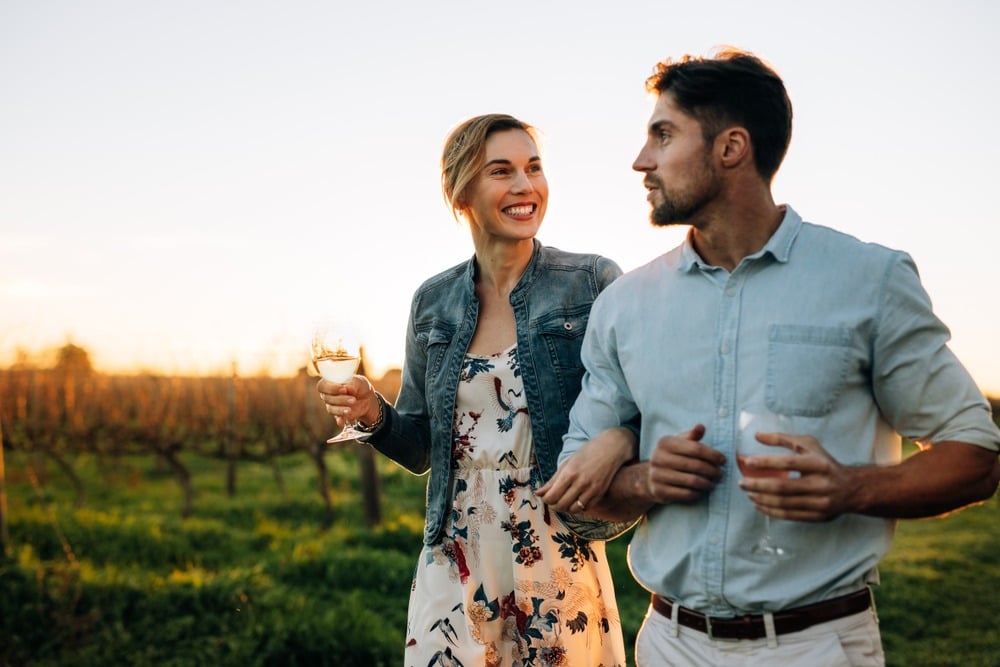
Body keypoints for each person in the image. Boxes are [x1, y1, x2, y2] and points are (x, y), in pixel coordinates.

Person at [538, 47, 1000, 666]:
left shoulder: (869, 279)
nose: (640, 160)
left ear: (731, 148)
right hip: (670, 645)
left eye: (663, 135)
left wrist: (850, 488)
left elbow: (974, 454)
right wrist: (648, 477)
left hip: (819, 647)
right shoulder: (624, 305)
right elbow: (578, 489)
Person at [317, 113, 634, 666]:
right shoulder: (432, 301)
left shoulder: (591, 283)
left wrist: (621, 452)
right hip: (454, 546)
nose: (525, 186)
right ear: (460, 191)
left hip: (553, 541)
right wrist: (373, 414)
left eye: (534, 168)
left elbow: (641, 412)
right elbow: (420, 447)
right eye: (501, 171)